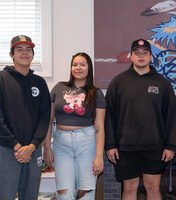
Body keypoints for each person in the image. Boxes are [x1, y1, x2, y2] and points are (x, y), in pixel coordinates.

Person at [105, 39, 176, 200]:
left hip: (155, 147)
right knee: (129, 188)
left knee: (153, 187)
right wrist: (110, 145)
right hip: (125, 147)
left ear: (151, 56)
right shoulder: (118, 82)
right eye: (137, 53)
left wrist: (171, 146)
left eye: (145, 53)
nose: (141, 56)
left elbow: (172, 117)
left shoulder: (163, 84)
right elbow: (109, 116)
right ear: (130, 56)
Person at [43, 52, 106, 200]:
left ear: (89, 68)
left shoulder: (96, 93)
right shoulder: (58, 88)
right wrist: (47, 146)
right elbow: (48, 120)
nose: (78, 68)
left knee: (85, 194)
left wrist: (99, 156)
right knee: (64, 195)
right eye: (75, 64)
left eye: (82, 64)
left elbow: (99, 126)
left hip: (87, 144)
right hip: (61, 146)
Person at [0, 35, 51, 199]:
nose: (25, 53)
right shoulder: (2, 79)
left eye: (28, 49)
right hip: (6, 149)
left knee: (30, 196)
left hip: (33, 150)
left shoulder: (40, 83)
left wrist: (31, 146)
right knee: (5, 195)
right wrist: (16, 146)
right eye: (19, 49)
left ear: (33, 54)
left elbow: (45, 118)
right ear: (11, 55)